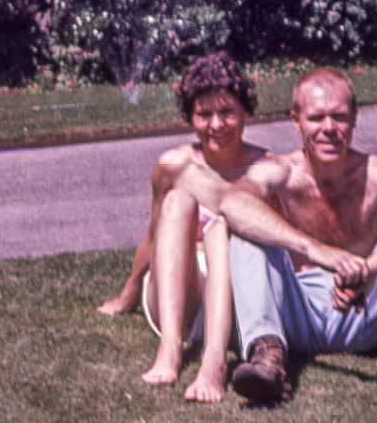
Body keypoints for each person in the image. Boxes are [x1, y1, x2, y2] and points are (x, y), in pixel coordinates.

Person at [219, 67, 377, 408]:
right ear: (296, 120)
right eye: (316, 118)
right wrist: (317, 251)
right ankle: (267, 358)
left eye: (339, 117)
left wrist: (375, 264)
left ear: (354, 119)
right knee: (248, 231)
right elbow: (232, 202)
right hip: (296, 314)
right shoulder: (280, 172)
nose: (329, 129)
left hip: (366, 313)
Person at [98, 52, 267, 401]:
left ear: (245, 112)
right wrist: (126, 296)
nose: (216, 125)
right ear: (190, 117)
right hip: (177, 297)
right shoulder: (173, 164)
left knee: (223, 227)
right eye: (204, 114)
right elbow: (153, 235)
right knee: (179, 200)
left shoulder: (267, 168)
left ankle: (214, 362)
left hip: (234, 300)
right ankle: (170, 348)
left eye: (227, 112)